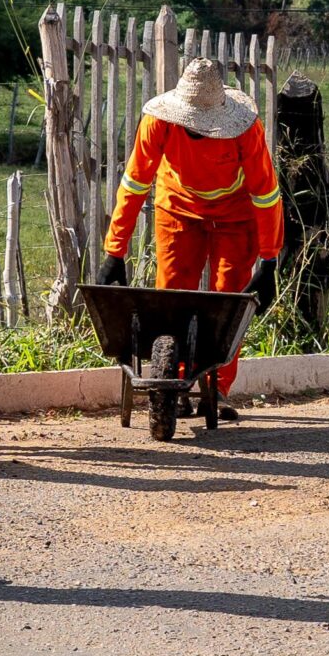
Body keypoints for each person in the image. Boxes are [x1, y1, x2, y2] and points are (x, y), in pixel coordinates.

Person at [98, 59, 282, 409]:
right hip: (177, 208)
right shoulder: (158, 122)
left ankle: (218, 388)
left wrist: (270, 259)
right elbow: (135, 183)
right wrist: (114, 250)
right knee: (172, 293)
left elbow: (266, 194)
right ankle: (174, 381)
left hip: (236, 215)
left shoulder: (246, 130)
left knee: (229, 298)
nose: (198, 129)